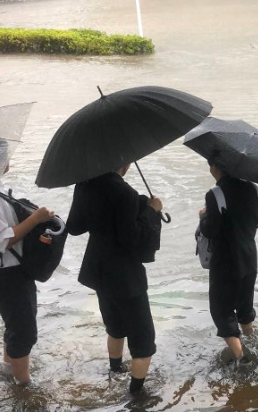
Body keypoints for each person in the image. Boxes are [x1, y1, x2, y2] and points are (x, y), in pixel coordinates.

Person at [66, 164, 163, 394]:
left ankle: (115, 371)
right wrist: (152, 210)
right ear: (125, 162)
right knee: (144, 341)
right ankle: (136, 396)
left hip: (98, 270)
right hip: (125, 275)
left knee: (115, 326)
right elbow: (131, 238)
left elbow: (74, 227)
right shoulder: (125, 193)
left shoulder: (85, 184)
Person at [0, 137, 55, 385]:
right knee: (24, 331)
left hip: (9, 272)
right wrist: (35, 219)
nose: (8, 159)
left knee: (16, 322)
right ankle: (23, 384)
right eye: (5, 156)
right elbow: (2, 240)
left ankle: (7, 370)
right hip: (3, 275)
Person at [199, 158, 258, 365]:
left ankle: (242, 358)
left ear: (216, 167)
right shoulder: (253, 189)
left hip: (226, 262)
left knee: (221, 309)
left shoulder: (215, 194)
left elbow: (210, 230)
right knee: (245, 305)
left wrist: (204, 217)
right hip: (249, 257)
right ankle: (252, 340)